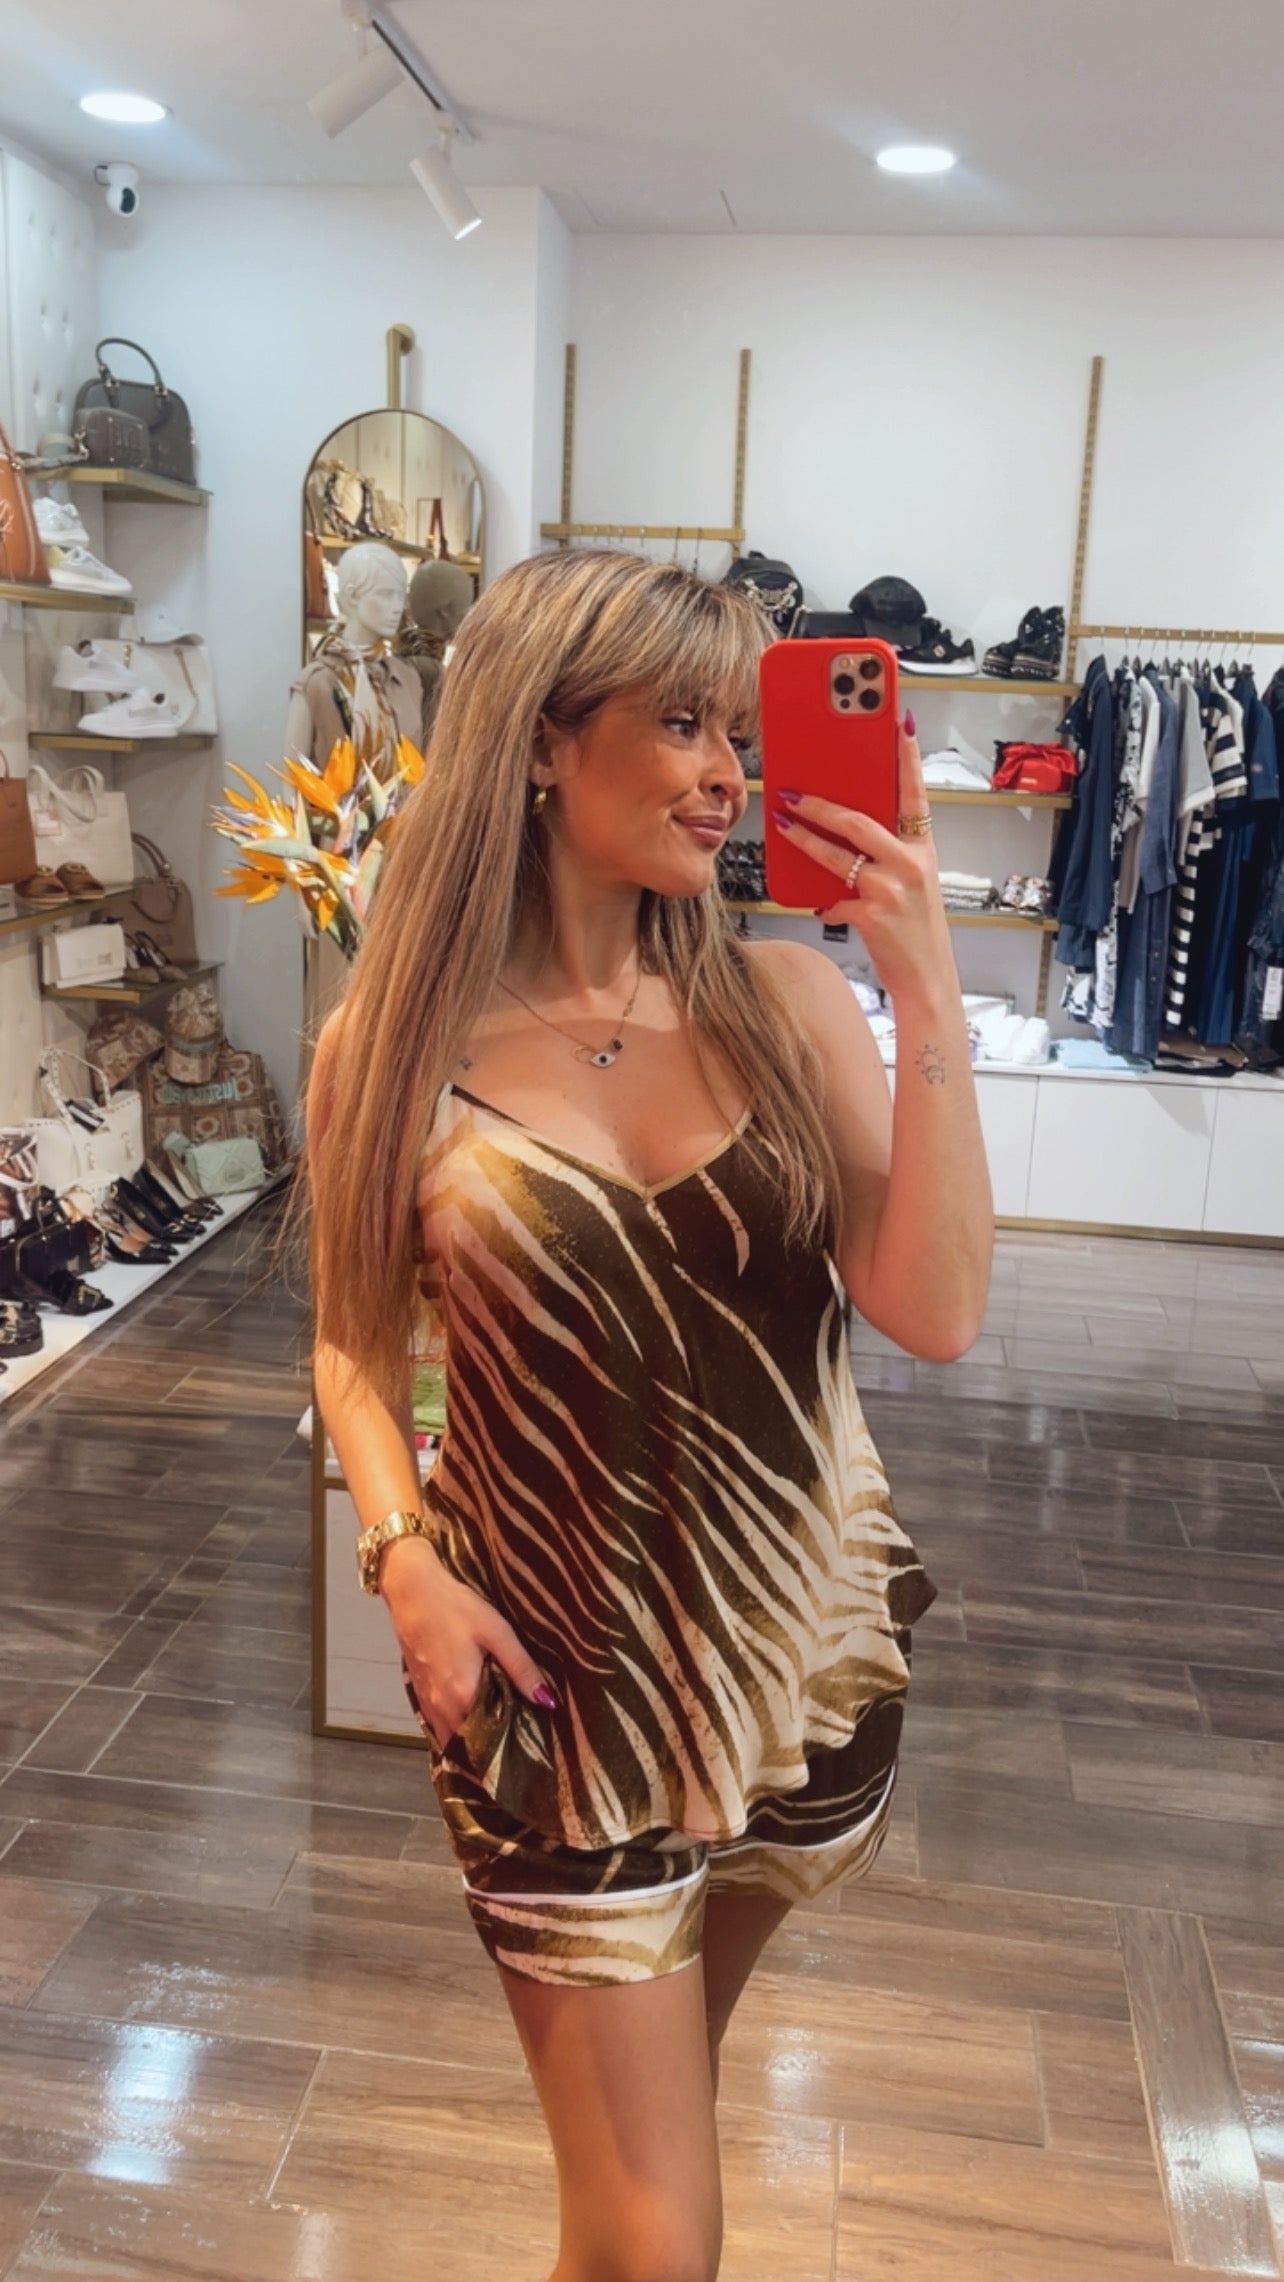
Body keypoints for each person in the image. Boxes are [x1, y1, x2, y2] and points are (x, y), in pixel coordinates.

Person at [304, 548, 992, 2282]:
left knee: (638, 2196)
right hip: (560, 1703)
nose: (724, 774)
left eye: (734, 732)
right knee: (655, 2239)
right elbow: (351, 1348)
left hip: (798, 1672)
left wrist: (927, 999)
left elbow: (935, 1308)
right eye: (679, 723)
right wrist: (403, 1564)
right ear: (543, 740)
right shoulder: (392, 1043)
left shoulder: (788, 1005)